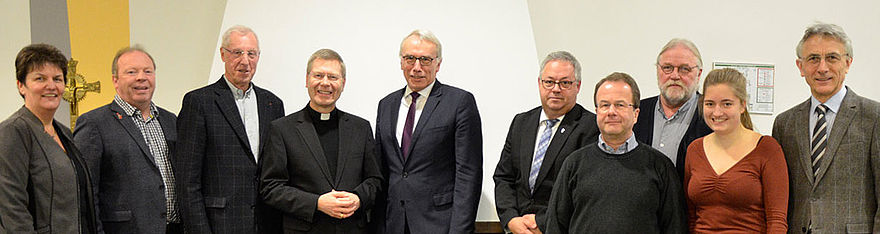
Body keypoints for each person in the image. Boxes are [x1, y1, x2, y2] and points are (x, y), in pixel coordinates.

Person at [544, 72, 686, 234]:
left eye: (620, 105)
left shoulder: (660, 166)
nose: (611, 112)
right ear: (597, 112)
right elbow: (555, 225)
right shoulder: (574, 164)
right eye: (605, 105)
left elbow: (675, 227)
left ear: (636, 114)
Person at [176, 25, 285, 233]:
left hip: (265, 223)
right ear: (223, 54)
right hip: (220, 225)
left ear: (258, 57)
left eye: (251, 54)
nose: (245, 61)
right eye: (237, 53)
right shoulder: (199, 102)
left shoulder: (273, 104)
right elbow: (187, 181)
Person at [772, 22, 880, 233]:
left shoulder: (874, 117)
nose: (822, 68)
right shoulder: (784, 124)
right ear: (800, 67)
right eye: (813, 59)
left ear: (848, 63)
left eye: (832, 57)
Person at [260, 49, 383, 233]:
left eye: (333, 77)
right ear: (307, 79)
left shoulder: (361, 128)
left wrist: (358, 198)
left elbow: (375, 180)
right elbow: (271, 187)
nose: (325, 83)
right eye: (318, 75)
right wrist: (316, 203)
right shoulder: (282, 129)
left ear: (343, 83)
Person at [373, 29, 483, 234]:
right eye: (410, 59)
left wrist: (460, 230)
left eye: (425, 60)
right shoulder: (386, 105)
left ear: (438, 64)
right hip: (393, 222)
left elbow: (468, 173)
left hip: (439, 224)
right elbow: (381, 169)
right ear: (401, 62)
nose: (416, 68)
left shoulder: (459, 102)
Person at [73, 46, 182, 233]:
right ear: (115, 80)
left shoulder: (171, 120)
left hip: (175, 228)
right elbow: (84, 192)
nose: (141, 77)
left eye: (148, 71)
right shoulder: (94, 123)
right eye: (132, 72)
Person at [493, 51, 599, 234]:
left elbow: (584, 191)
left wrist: (542, 222)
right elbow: (504, 177)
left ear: (578, 86)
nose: (556, 89)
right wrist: (511, 219)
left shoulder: (590, 127)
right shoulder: (521, 122)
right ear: (539, 83)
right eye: (549, 82)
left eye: (565, 83)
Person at [0, 43, 97, 233]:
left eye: (57, 79)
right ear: (21, 86)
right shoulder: (13, 132)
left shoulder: (64, 133)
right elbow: (11, 207)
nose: (51, 86)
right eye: (40, 78)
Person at [684, 68, 788, 233]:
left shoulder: (767, 148)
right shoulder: (694, 150)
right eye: (710, 104)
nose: (717, 112)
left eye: (727, 104)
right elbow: (690, 216)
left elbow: (777, 221)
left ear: (742, 105)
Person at [633, 38, 712, 178]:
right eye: (667, 68)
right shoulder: (637, 112)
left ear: (698, 74)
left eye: (684, 69)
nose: (675, 76)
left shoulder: (712, 116)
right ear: (658, 70)